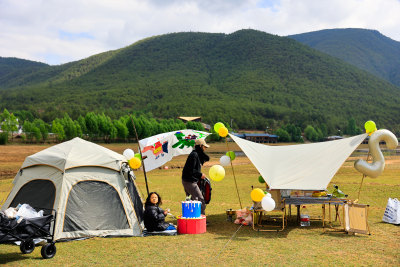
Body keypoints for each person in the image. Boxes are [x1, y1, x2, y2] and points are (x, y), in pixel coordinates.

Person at [182, 139, 210, 215]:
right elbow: (191, 170)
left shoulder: (195, 154)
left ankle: (193, 217)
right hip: (189, 182)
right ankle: (201, 218)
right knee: (200, 200)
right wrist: (200, 175)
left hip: (188, 181)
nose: (205, 149)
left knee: (191, 200)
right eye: (204, 147)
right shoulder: (194, 155)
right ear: (200, 146)